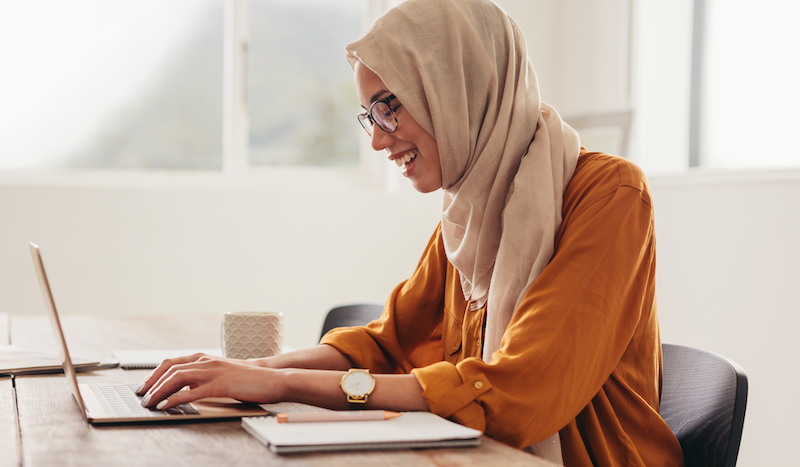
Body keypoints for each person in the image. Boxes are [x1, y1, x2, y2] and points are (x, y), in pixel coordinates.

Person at [137, 0, 684, 465]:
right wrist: (248, 369)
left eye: (388, 109)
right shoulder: (471, 209)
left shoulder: (610, 195)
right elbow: (385, 343)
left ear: (457, 84)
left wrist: (281, 384)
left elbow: (519, 397)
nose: (378, 141)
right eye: (368, 116)